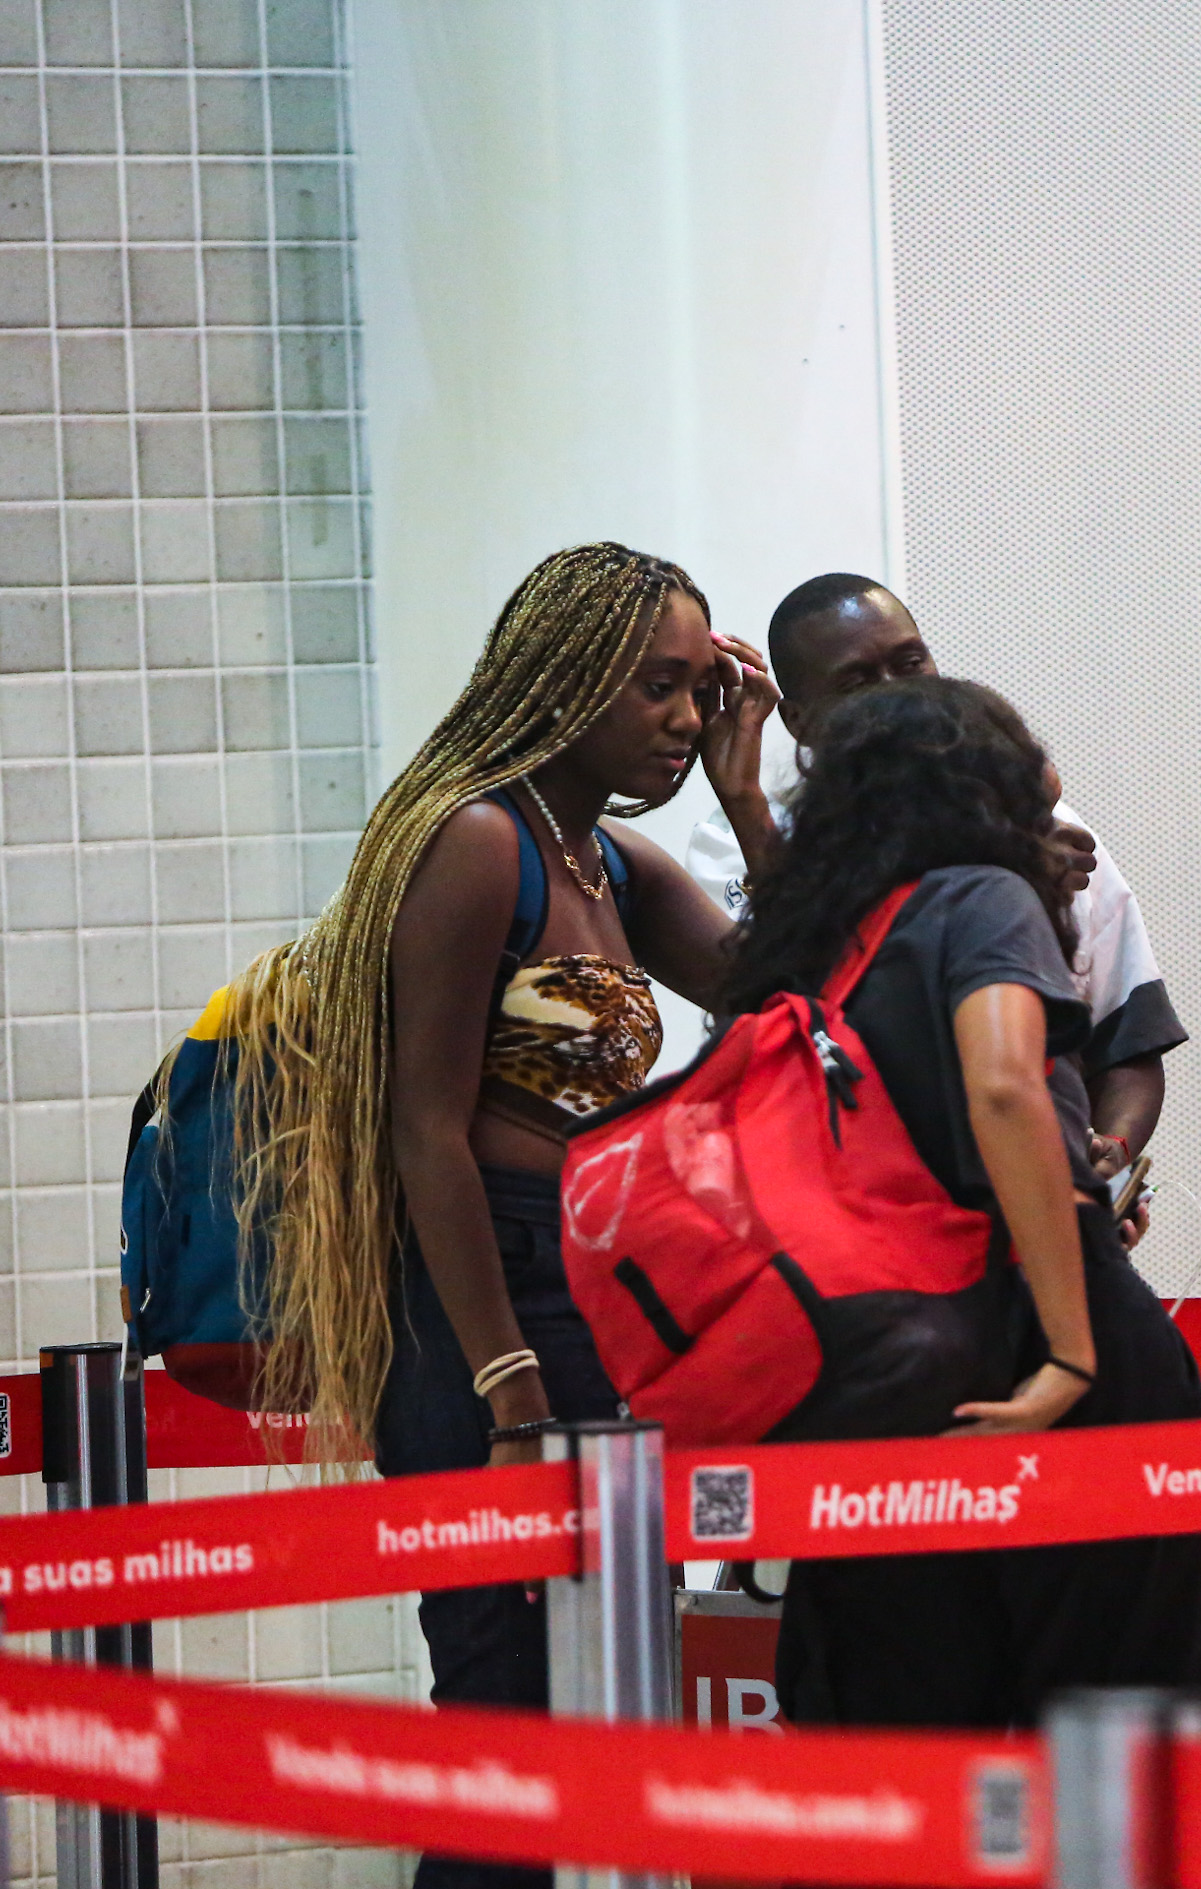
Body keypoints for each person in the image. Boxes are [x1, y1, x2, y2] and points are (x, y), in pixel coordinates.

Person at [222, 543, 779, 1889]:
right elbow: (428, 1130)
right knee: (504, 1724)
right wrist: (511, 1391)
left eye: (704, 692)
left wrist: (753, 803)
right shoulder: (478, 840)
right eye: (657, 688)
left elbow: (784, 998)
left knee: (597, 1709)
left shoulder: (606, 860)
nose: (685, 723)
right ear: (565, 676)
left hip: (584, 1300)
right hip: (480, 1310)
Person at [719, 674, 1201, 1727]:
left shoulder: (828, 953)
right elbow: (1001, 1085)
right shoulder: (980, 896)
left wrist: (743, 804)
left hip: (891, 1369)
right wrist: (1071, 1351)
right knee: (1111, 1732)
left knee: (905, 1725)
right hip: (1052, 1352)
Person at [687, 573, 1184, 1184]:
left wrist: (1109, 1153)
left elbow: (1128, 1040)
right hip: (847, 1213)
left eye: (910, 662)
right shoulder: (737, 841)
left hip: (1035, 1203)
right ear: (797, 720)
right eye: (857, 681)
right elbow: (793, 1014)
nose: (895, 696)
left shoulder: (1047, 825)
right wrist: (743, 802)